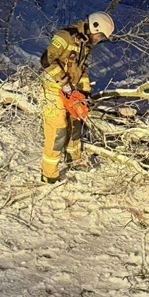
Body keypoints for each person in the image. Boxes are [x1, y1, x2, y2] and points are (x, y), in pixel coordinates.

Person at [39, 11, 114, 183]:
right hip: (52, 89)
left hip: (71, 90)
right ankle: (48, 173)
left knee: (76, 123)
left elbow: (82, 69)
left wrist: (85, 92)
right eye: (100, 35)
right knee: (58, 130)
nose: (99, 39)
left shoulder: (85, 43)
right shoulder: (66, 37)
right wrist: (63, 82)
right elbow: (46, 60)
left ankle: (74, 159)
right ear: (94, 26)